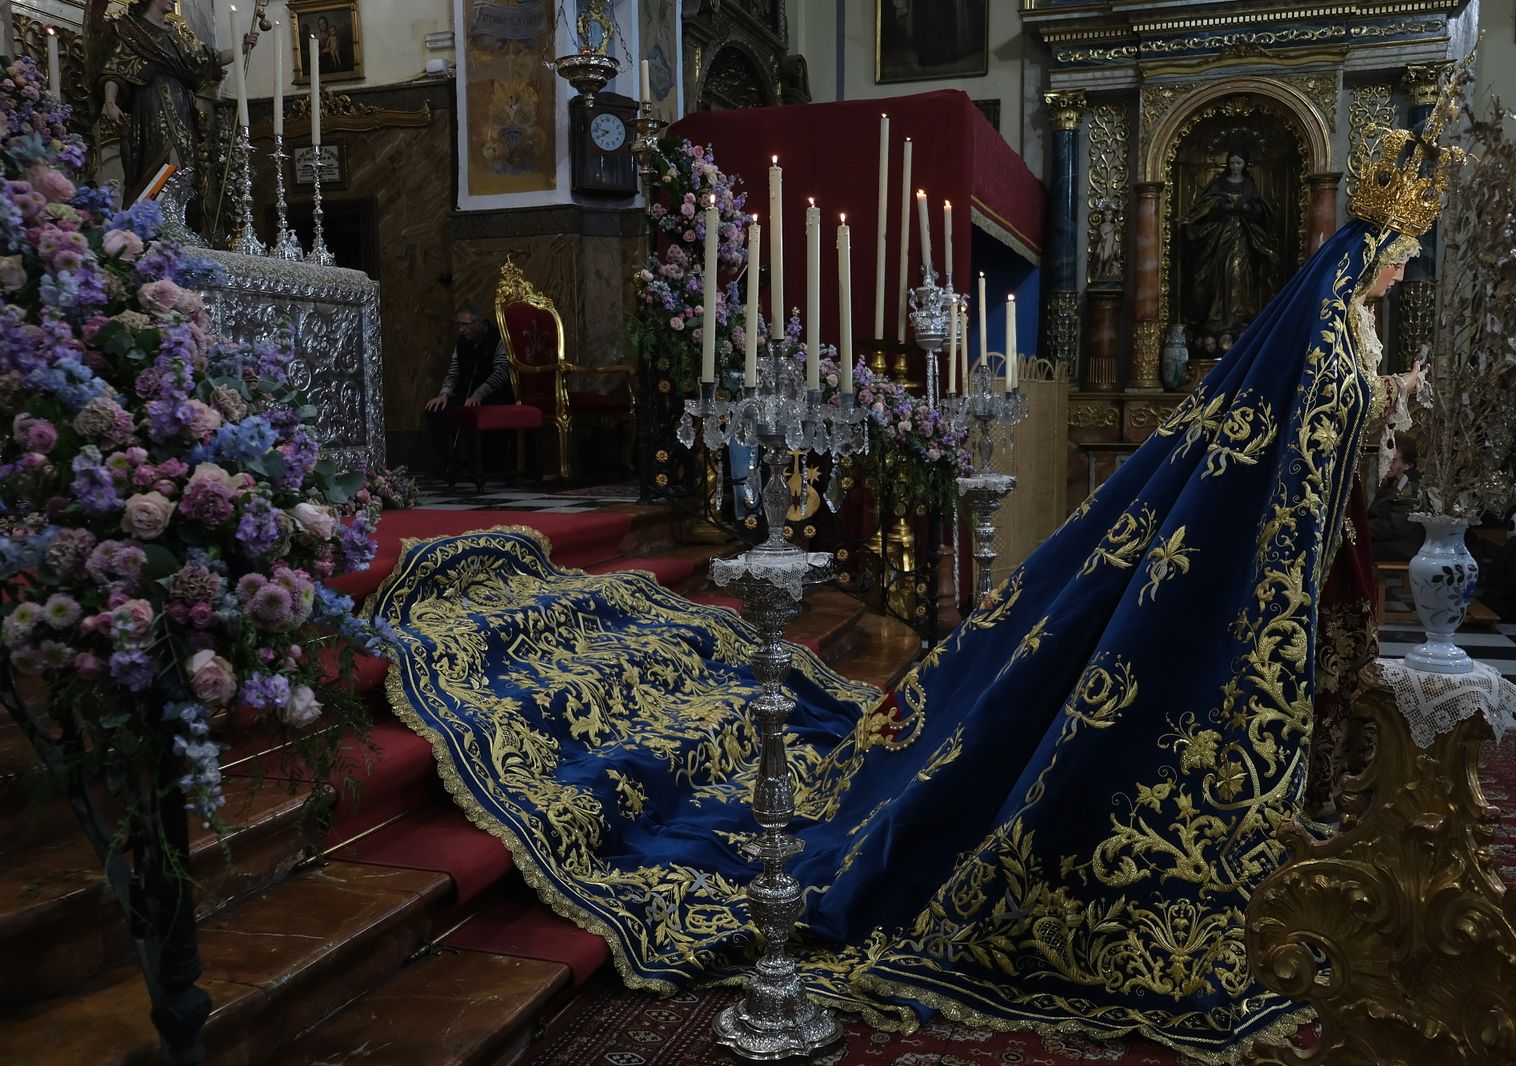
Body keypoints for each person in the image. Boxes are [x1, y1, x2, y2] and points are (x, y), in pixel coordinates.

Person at [374, 116, 1449, 1060]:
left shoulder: (1345, 325)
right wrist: (1388, 406)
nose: (1400, 271)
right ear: (1372, 250)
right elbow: (1314, 435)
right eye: (1399, 255)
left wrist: (1387, 399)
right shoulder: (1324, 327)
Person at [97, 0, 257, 205]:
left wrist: (241, 48)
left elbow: (210, 59)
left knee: (186, 164)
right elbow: (114, 70)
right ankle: (156, 219)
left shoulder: (176, 37)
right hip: (151, 106)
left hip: (182, 108)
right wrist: (110, 103)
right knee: (160, 160)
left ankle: (180, 221)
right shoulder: (132, 30)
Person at [1183, 148, 1279, 336]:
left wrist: (1247, 207)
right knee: (1219, 274)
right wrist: (1221, 207)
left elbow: (1260, 210)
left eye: (1239, 163)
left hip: (1242, 236)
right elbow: (1205, 207)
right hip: (1219, 237)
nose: (1235, 166)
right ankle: (1217, 315)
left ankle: (1239, 315)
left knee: (1238, 273)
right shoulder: (1219, 183)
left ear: (1244, 165)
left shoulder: (1249, 185)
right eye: (1232, 162)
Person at [423, 305, 513, 476]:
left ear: (481, 323)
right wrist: (444, 394)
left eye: (465, 324)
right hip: (464, 394)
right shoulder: (462, 343)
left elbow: (501, 373)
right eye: (458, 325)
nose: (461, 329)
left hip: (492, 394)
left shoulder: (498, 339)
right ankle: (449, 459)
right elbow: (454, 372)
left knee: (478, 409)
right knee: (435, 409)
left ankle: (485, 464)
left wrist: (478, 394)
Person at [1368, 434, 1425, 560]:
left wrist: (1363, 528)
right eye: (1385, 459)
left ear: (1408, 465)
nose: (1387, 464)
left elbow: (1397, 526)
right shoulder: (1394, 482)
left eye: (1393, 461)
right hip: (1389, 542)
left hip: (1401, 547)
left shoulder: (1408, 486)